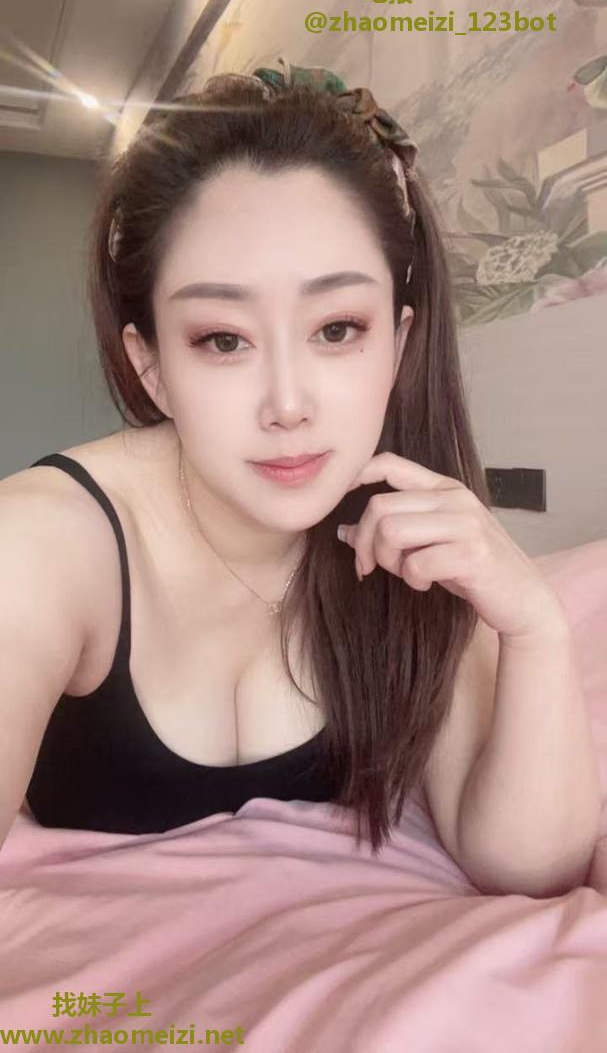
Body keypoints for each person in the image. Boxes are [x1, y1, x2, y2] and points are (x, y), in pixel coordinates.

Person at [3, 57, 493, 857]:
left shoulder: (407, 540)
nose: (288, 404)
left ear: (398, 342)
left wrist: (531, 627)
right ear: (151, 367)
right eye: (223, 340)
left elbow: (521, 857)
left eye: (336, 328)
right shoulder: (38, 543)